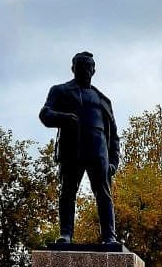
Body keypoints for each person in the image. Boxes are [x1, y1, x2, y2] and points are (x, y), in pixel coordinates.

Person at [39, 51, 120, 246]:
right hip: (71, 148)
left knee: (103, 193)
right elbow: (45, 114)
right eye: (80, 66)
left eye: (88, 66)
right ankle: (66, 234)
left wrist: (113, 161)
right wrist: (64, 118)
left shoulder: (103, 100)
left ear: (94, 70)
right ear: (73, 68)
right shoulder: (61, 91)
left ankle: (109, 236)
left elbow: (114, 135)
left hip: (98, 150)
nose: (85, 69)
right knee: (67, 191)